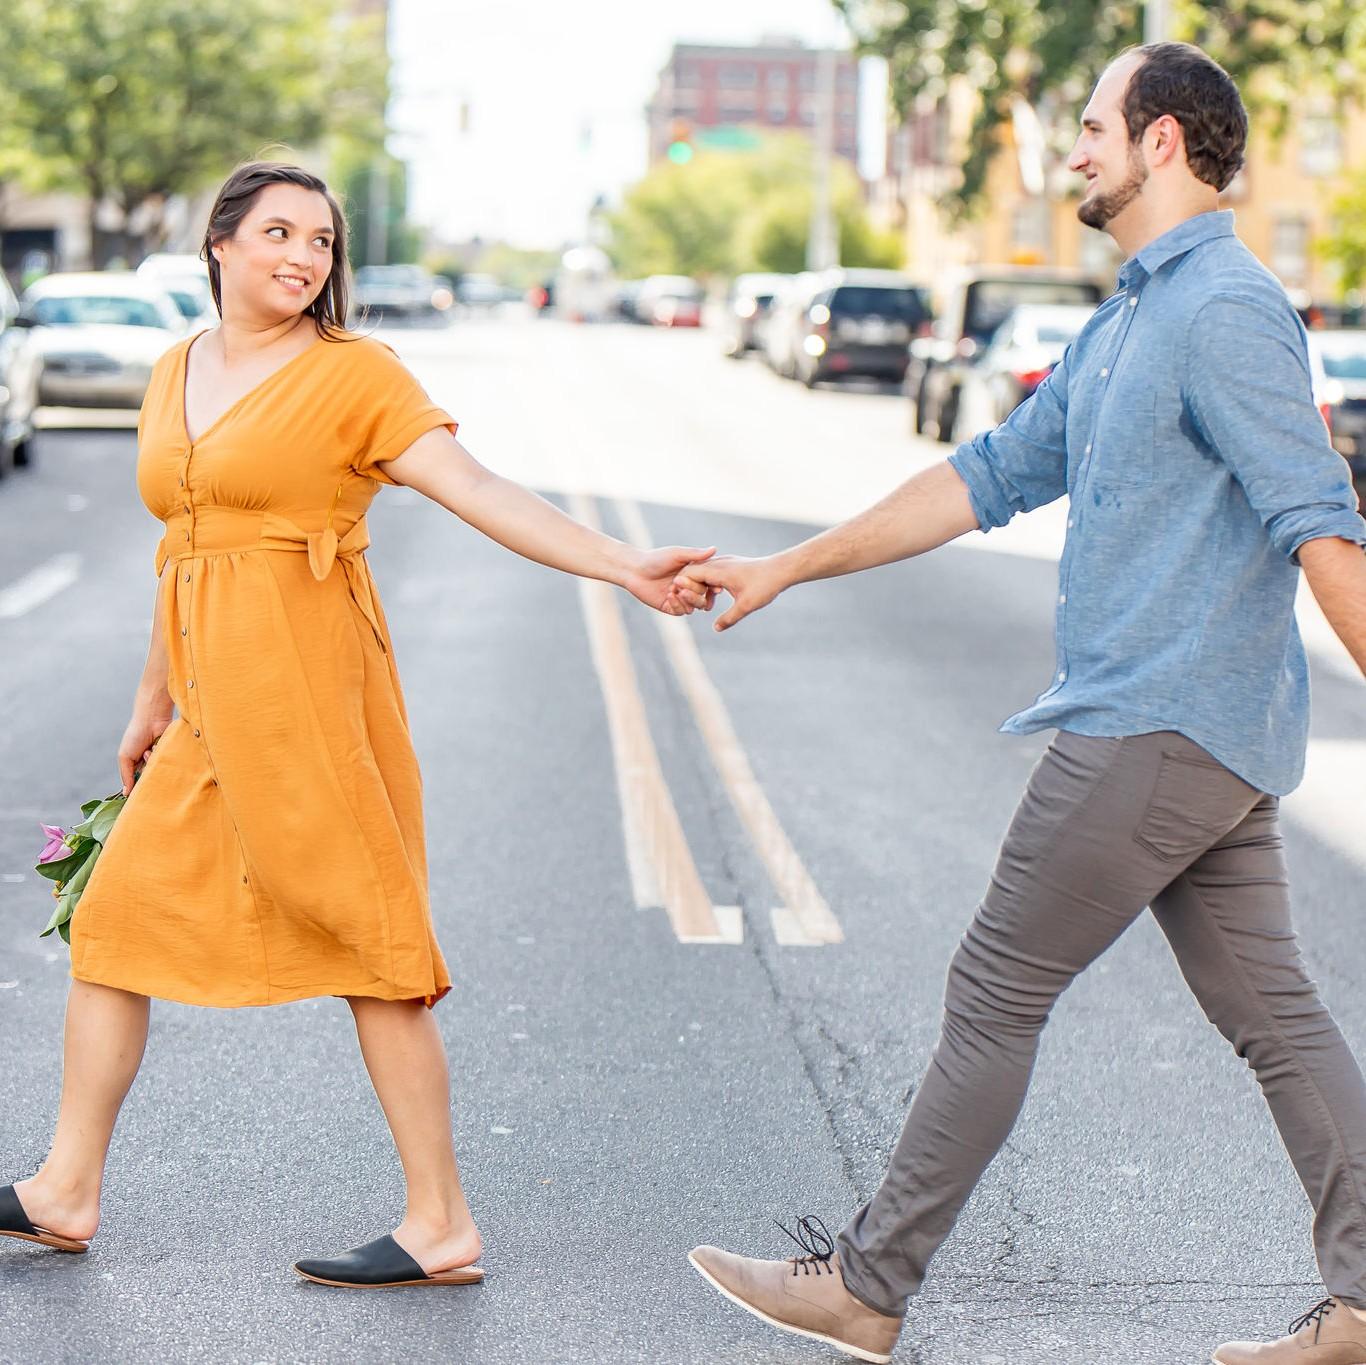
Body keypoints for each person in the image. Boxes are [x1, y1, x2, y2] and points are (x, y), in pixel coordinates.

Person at [675, 43, 1366, 1365]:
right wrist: (786, 564)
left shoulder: (1222, 306)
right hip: (1194, 734)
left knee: (994, 986)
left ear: (1161, 142)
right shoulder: (1128, 315)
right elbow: (984, 474)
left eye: (1093, 125)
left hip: (1153, 723)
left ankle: (868, 1286)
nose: (1072, 148)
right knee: (1275, 1017)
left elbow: (1317, 524)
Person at [0, 161, 709, 1289]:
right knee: (115, 924)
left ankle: (440, 1223)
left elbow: (475, 489)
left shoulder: (353, 375)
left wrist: (623, 563)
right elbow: (182, 546)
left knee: (374, 952)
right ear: (219, 244)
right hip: (208, 709)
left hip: (308, 694)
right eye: (278, 232)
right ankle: (64, 1189)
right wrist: (152, 701)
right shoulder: (178, 366)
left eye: (320, 242)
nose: (302, 257)